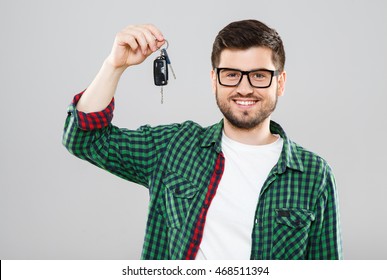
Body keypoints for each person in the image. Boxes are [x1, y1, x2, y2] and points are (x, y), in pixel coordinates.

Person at [63, 19, 342, 260]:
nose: (244, 88)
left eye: (259, 76)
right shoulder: (174, 147)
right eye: (231, 75)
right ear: (214, 80)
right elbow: (84, 140)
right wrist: (114, 65)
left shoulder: (314, 174)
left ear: (279, 83)